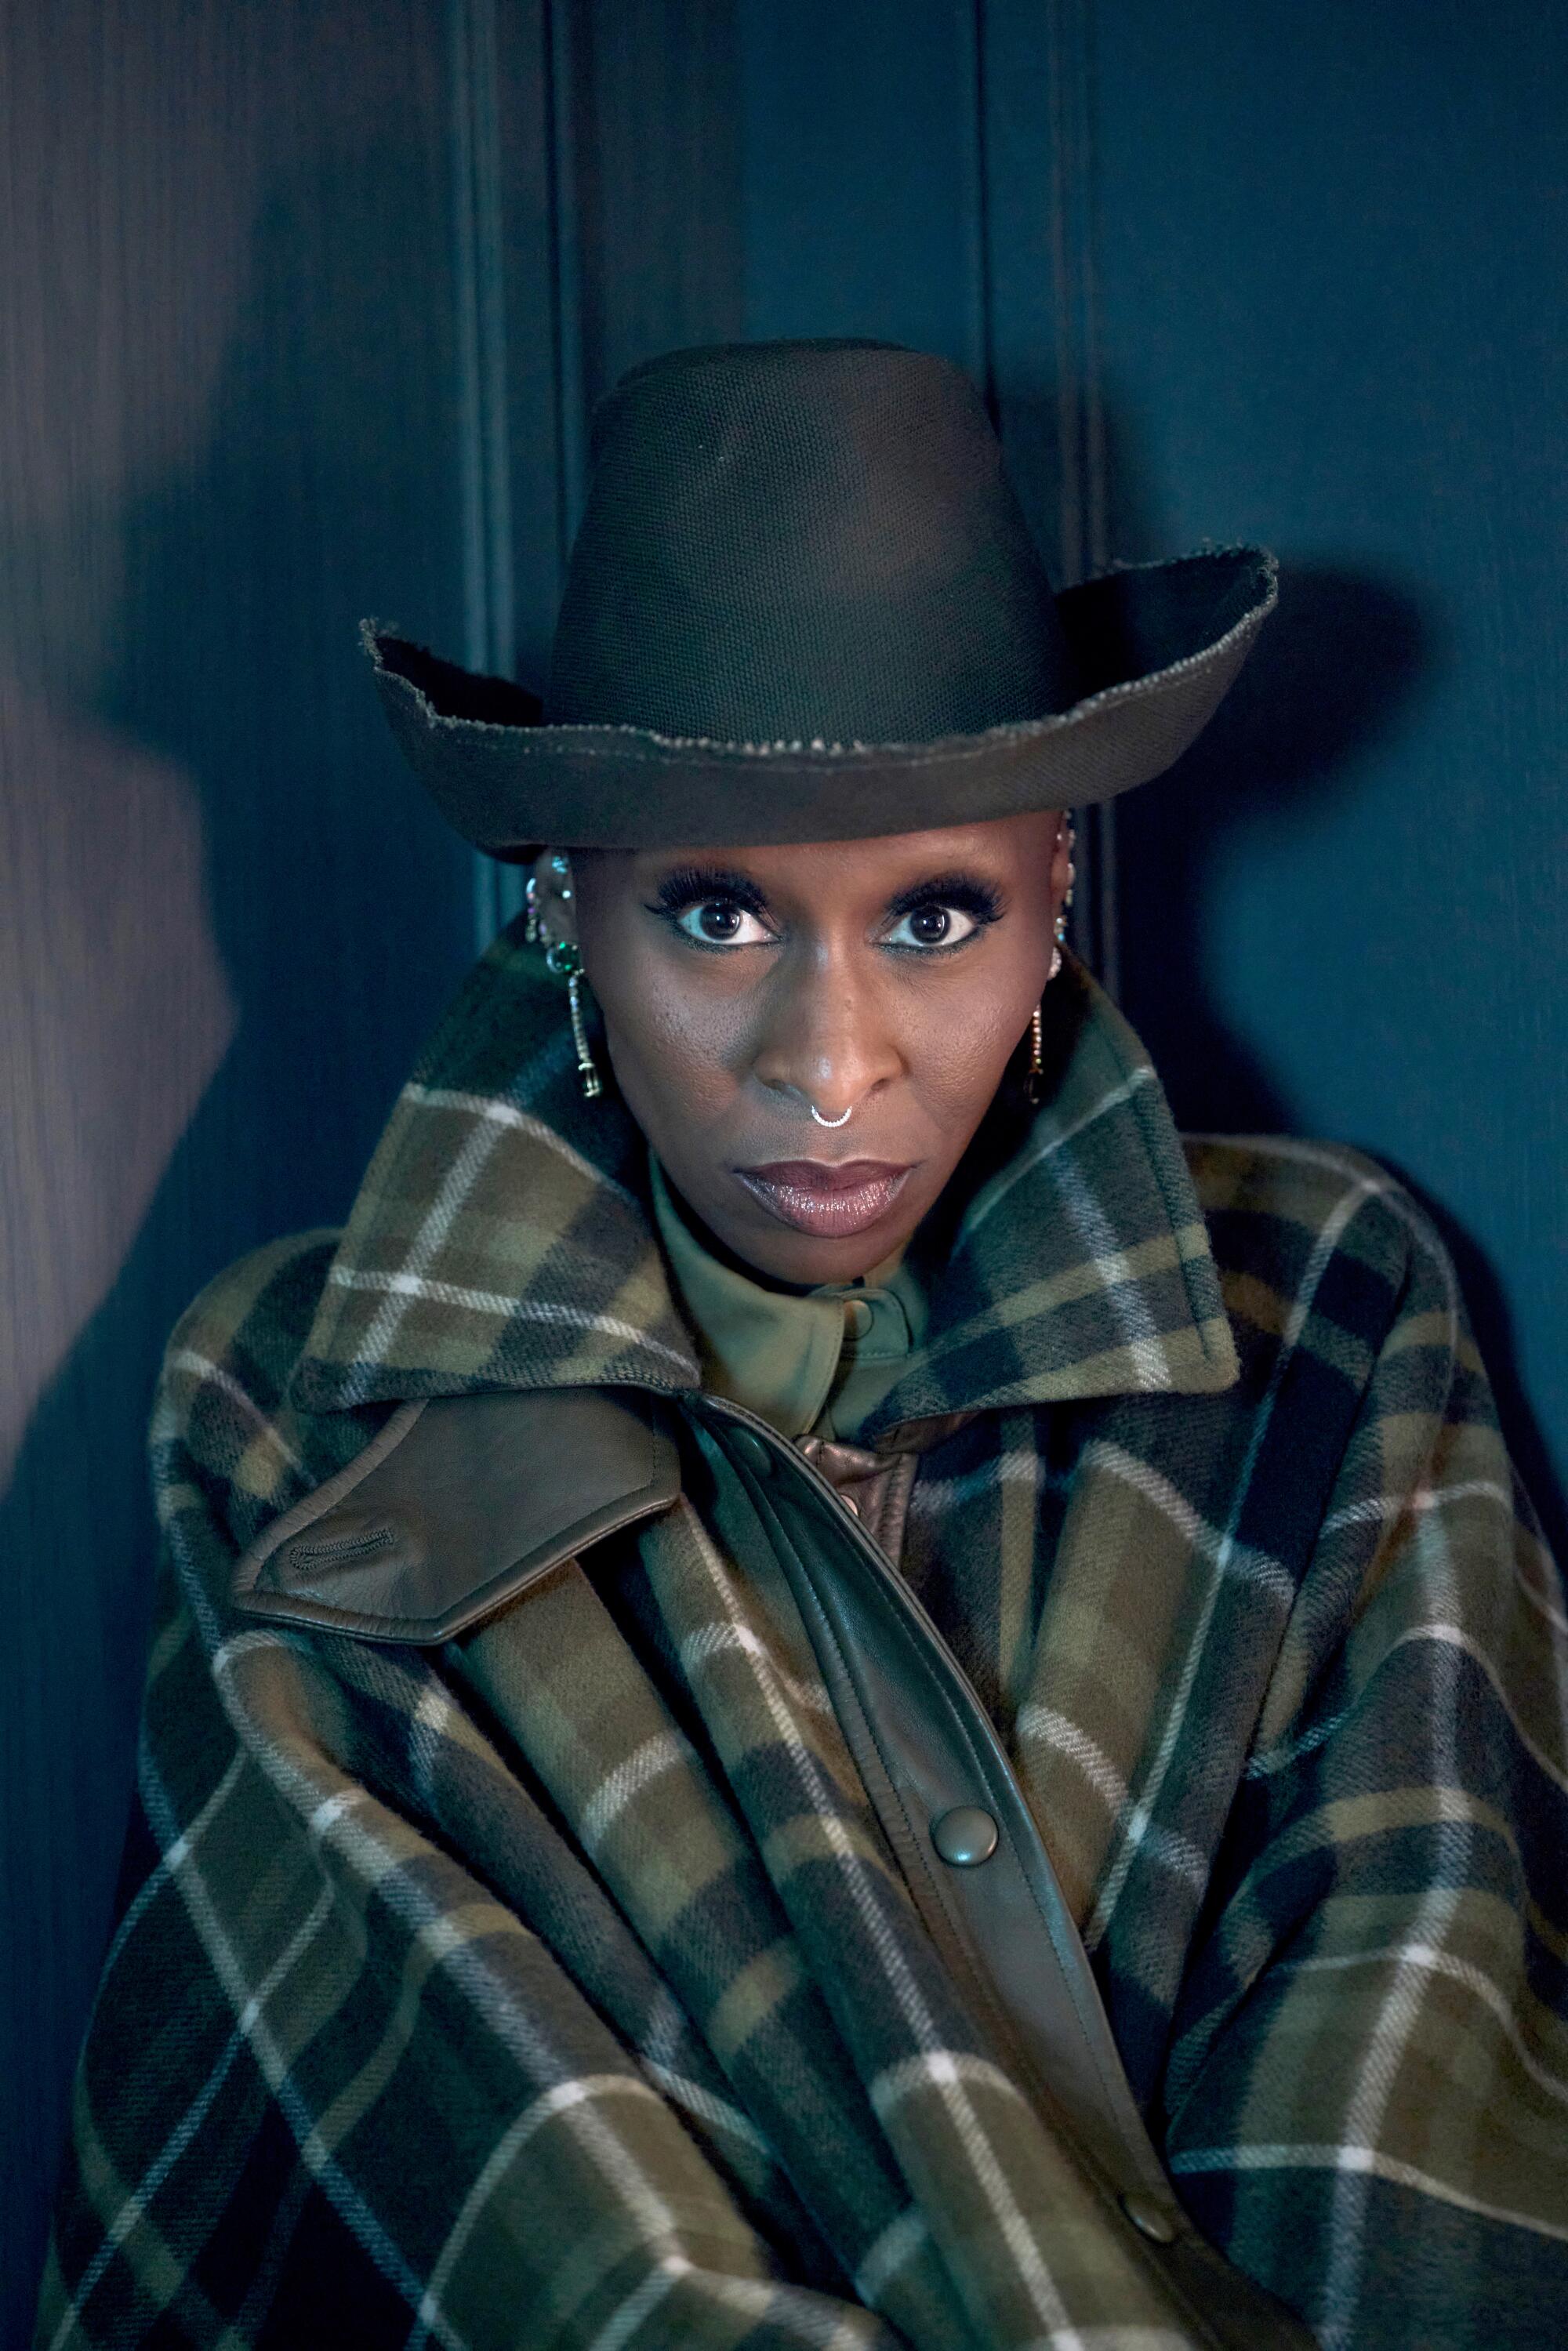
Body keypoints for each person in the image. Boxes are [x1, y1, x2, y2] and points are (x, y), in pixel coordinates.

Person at [36, 341, 1566, 2351]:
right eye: (716, 916)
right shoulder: (307, 1401)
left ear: (1054, 891)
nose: (828, 1068)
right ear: (566, 911)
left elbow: (1409, 2054)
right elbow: (519, 2218)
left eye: (931, 917)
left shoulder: (1331, 1311)